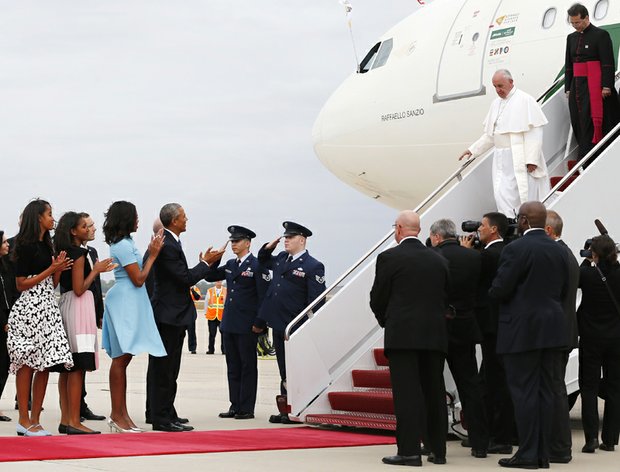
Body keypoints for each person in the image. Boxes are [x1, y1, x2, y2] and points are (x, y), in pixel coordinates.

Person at [489, 201, 569, 468]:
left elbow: (500, 289)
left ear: (523, 220)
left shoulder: (516, 249)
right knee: (547, 392)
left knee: (523, 393)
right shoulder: (560, 251)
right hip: (553, 328)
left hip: (522, 330)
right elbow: (565, 289)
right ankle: (542, 454)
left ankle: (527, 453)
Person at [370, 211, 449, 466]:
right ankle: (438, 450)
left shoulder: (389, 258)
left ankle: (409, 451)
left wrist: (388, 321)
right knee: (434, 392)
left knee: (407, 395)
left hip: (403, 335)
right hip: (434, 335)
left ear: (400, 229)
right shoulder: (438, 259)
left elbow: (378, 297)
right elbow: (446, 296)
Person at [147, 203, 224, 432]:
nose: (186, 219)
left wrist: (208, 264)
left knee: (169, 368)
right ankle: (161, 417)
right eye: (183, 216)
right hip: (169, 314)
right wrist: (206, 263)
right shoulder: (168, 245)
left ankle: (164, 412)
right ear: (173, 221)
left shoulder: (172, 242)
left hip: (172, 314)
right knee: (165, 368)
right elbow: (184, 278)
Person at [7, 199, 74, 437]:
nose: (52, 218)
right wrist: (50, 269)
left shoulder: (48, 245)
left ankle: (35, 419)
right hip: (29, 309)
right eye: (49, 214)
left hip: (47, 308)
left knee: (45, 365)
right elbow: (20, 283)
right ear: (38, 217)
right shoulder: (24, 245)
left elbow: (52, 284)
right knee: (26, 365)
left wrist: (57, 271)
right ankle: (23, 420)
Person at [101, 201, 167, 433]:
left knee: (124, 359)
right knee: (120, 358)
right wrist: (153, 256)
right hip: (124, 301)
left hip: (131, 301)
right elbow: (138, 278)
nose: (139, 220)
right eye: (135, 216)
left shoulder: (127, 242)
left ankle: (121, 414)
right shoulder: (122, 245)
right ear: (126, 219)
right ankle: (117, 415)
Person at [257, 221, 326, 424]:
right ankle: (285, 408)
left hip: (295, 326)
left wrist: (308, 327)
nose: (286, 240)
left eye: (291, 237)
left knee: (295, 370)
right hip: (278, 324)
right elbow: (262, 260)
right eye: (285, 237)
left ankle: (297, 407)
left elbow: (316, 301)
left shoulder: (313, 266)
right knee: (284, 370)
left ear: (302, 240)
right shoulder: (280, 259)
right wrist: (268, 247)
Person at [430, 219, 488, 458]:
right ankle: (480, 442)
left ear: (436, 237)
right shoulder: (475, 258)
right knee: (470, 386)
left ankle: (436, 443)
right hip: (465, 325)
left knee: (434, 387)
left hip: (436, 328)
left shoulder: (431, 258)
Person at [54, 212, 115, 434]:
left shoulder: (69, 251)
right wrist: (96, 271)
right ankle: (73, 421)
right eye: (84, 226)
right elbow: (80, 288)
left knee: (67, 368)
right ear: (73, 231)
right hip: (79, 308)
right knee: (78, 367)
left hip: (68, 306)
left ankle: (65, 419)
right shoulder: (79, 253)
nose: (89, 229)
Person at [460, 69, 550, 217]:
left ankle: (525, 219)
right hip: (501, 158)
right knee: (501, 191)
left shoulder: (525, 100)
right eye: (495, 86)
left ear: (511, 82)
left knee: (522, 191)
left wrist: (532, 159)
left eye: (500, 86)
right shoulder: (495, 104)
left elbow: (535, 133)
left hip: (520, 155)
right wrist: (473, 150)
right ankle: (508, 218)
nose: (498, 90)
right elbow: (491, 135)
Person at [461, 212, 516, 454]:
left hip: (490, 326)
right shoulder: (508, 251)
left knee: (495, 382)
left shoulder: (488, 255)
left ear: (494, 229)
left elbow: (470, 277)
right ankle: (499, 433)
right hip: (505, 325)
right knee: (493, 380)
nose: (478, 230)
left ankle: (499, 436)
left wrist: (466, 252)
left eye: (482, 226)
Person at [207, 225, 268, 420]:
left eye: (237, 241)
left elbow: (263, 296)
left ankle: (246, 407)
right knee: (233, 366)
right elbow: (209, 276)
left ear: (248, 243)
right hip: (229, 323)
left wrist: (260, 322)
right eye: (232, 241)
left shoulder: (258, 265)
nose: (233, 244)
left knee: (247, 366)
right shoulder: (231, 265)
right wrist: (215, 259)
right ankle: (235, 404)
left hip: (247, 324)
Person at [577, 234, 620, 453]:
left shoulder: (586, 273)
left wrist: (587, 260)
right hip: (616, 338)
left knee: (589, 387)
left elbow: (575, 280)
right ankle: (611, 438)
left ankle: (591, 437)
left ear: (594, 253)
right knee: (614, 387)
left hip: (591, 337)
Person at [544, 210, 580, 462]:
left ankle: (558, 446)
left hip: (555, 334)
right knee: (554, 389)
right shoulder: (567, 254)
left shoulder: (558, 256)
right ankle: (558, 445)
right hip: (564, 332)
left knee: (553, 389)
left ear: (548, 230)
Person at [565, 3, 620, 161]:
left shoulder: (600, 35)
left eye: (578, 22)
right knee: (577, 118)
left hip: (595, 85)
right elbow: (569, 64)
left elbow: (607, 62)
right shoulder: (571, 38)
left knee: (593, 118)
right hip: (577, 85)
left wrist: (606, 85)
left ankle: (595, 153)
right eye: (572, 23)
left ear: (586, 18)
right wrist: (568, 87)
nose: (575, 26)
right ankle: (584, 153)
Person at [79, 213, 107, 422]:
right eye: (89, 226)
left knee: (86, 359)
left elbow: (96, 285)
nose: (94, 229)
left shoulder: (92, 251)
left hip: (90, 309)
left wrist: (99, 312)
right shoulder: (73, 252)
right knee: (78, 360)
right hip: (78, 309)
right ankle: (75, 405)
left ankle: (81, 403)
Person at [0, 230, 19, 422]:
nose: (8, 245)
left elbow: (13, 294)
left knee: (4, 365)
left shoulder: (7, 266)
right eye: (4, 242)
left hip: (7, 321)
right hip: (2, 322)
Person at [205, 280, 226, 355]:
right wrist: (205, 313)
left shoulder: (225, 291)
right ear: (214, 282)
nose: (218, 282)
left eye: (220, 281)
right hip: (212, 316)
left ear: (222, 282)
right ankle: (211, 349)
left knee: (224, 334)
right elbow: (206, 302)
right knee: (212, 334)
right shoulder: (210, 290)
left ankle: (224, 350)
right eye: (217, 281)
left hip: (222, 316)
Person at [187, 286, 201, 354]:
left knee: (191, 331)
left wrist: (192, 289)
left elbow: (197, 297)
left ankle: (193, 348)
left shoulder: (195, 288)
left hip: (190, 312)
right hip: (181, 311)